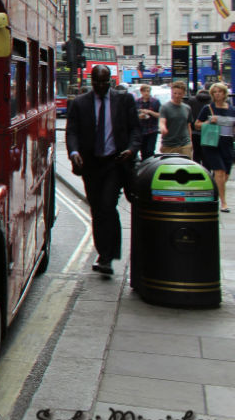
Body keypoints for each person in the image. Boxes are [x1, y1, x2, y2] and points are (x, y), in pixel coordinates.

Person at [65, 64, 141, 277]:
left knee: (108, 206)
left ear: (110, 81)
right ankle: (103, 253)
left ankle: (107, 257)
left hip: (115, 162)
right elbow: (72, 132)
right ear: (91, 81)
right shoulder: (80, 103)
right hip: (91, 164)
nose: (100, 86)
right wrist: (73, 152)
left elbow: (136, 129)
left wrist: (131, 149)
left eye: (104, 82)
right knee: (97, 210)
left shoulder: (124, 100)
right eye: (96, 82)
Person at [194, 81, 235, 212]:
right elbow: (197, 125)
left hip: (227, 143)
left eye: (220, 92)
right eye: (215, 92)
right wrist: (208, 122)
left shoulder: (231, 109)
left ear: (224, 94)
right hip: (212, 144)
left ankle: (212, 192)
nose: (217, 94)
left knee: (225, 174)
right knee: (220, 171)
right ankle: (223, 203)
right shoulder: (208, 108)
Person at [157, 80, 193, 160]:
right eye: (174, 93)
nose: (176, 96)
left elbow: (188, 126)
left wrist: (190, 142)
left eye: (179, 93)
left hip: (184, 144)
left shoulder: (187, 108)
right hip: (169, 144)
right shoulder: (165, 107)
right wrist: (163, 128)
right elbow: (162, 121)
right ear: (171, 92)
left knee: (186, 167)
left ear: (183, 94)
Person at [135, 83, 161, 159]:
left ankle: (150, 165)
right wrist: (139, 116)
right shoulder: (137, 102)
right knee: (143, 151)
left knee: (150, 150)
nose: (146, 93)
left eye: (148, 91)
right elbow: (133, 115)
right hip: (141, 130)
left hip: (152, 130)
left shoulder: (155, 102)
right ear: (141, 92)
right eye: (144, 91)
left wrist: (149, 112)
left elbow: (160, 115)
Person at [188, 86, 212, 158]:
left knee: (196, 154)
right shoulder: (211, 101)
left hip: (194, 132)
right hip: (208, 132)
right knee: (207, 155)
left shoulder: (191, 101)